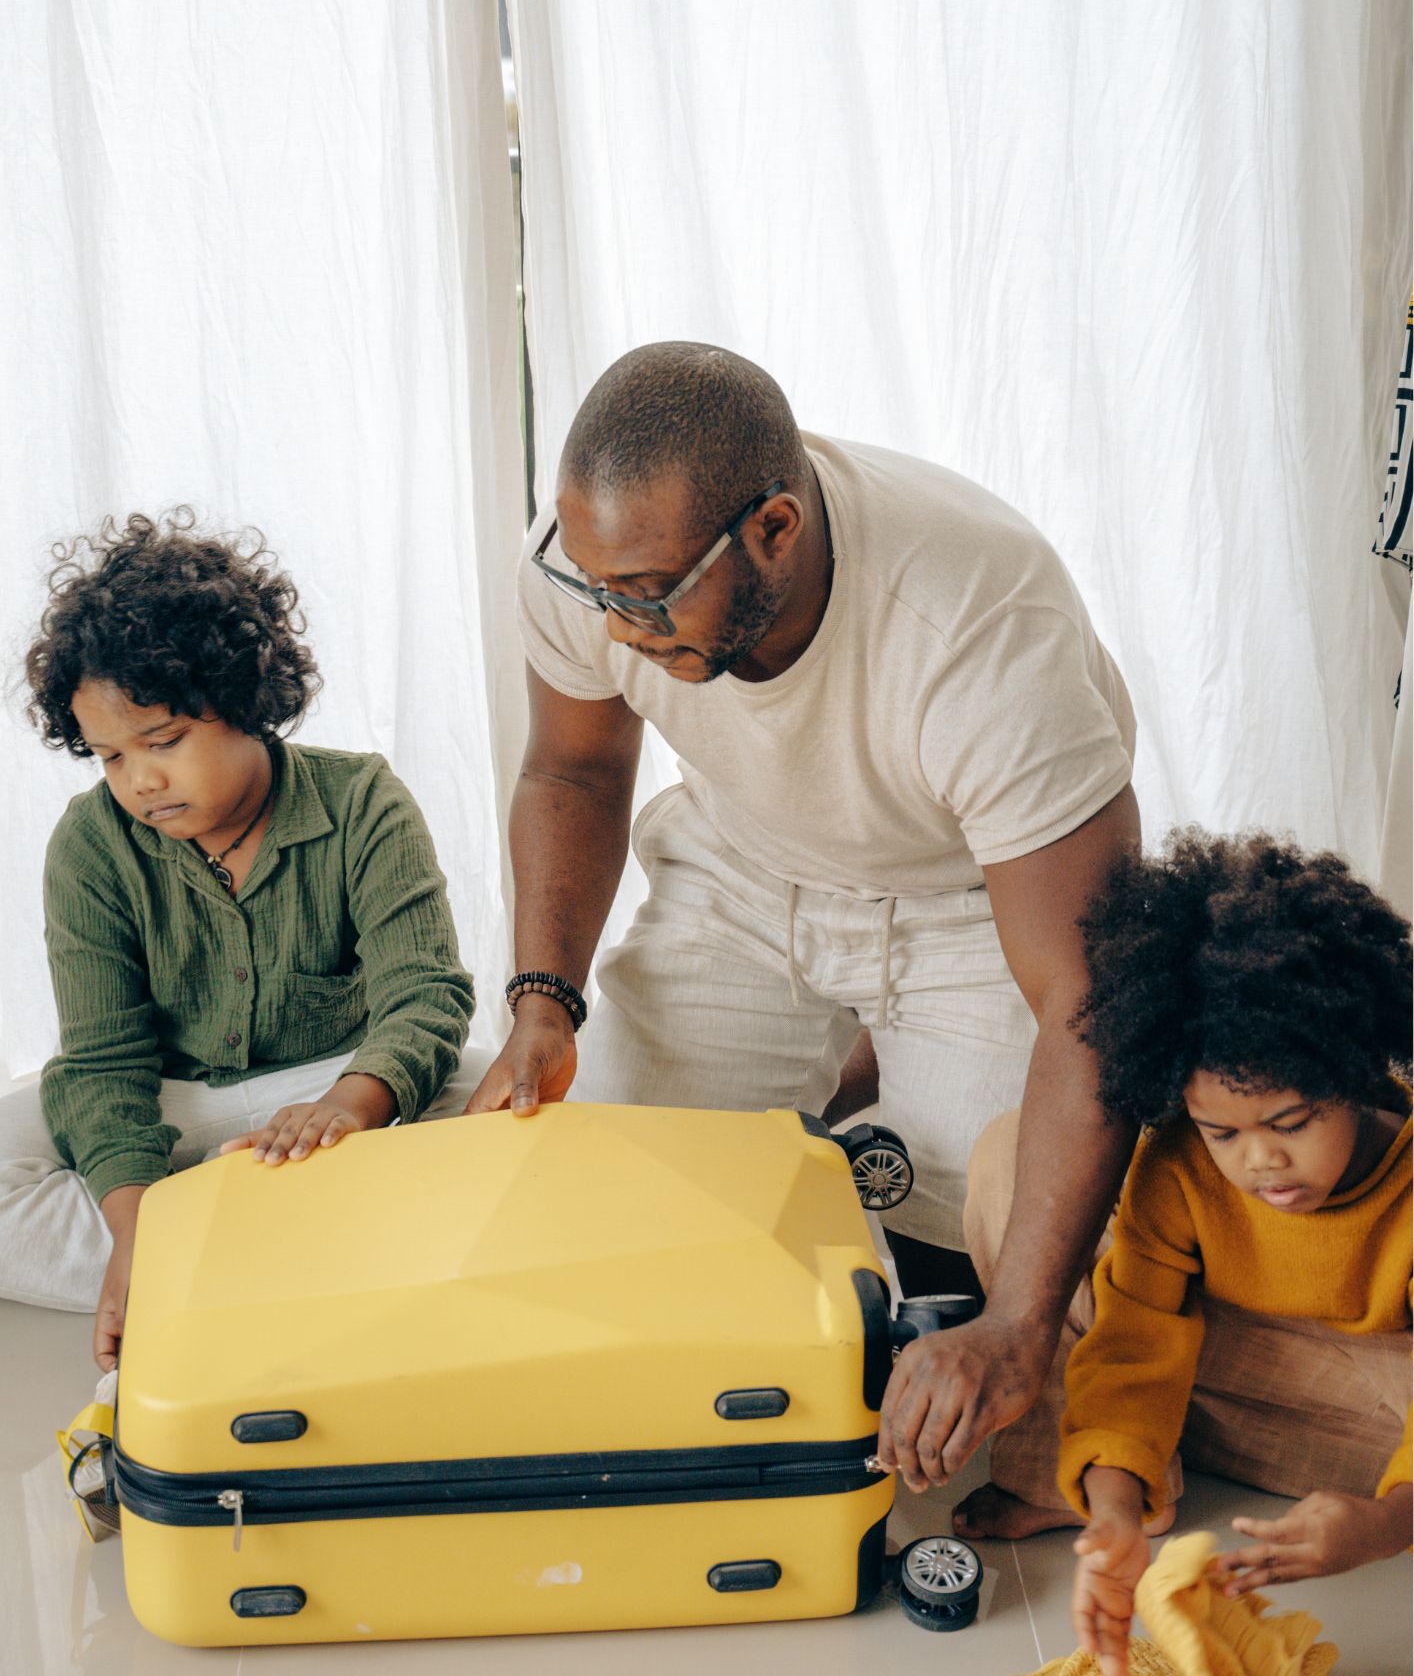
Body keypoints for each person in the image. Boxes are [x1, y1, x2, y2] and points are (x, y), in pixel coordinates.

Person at [465, 340, 1144, 1480]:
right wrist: (543, 1002)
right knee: (619, 1198)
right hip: (741, 862)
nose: (618, 625)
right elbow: (573, 770)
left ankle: (869, 1082)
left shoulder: (981, 626)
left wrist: (1018, 1327)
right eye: (596, 589)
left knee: (1006, 1235)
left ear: (774, 528)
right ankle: (849, 1082)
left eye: (648, 596)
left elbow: (1091, 999)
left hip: (969, 901)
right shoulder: (596, 560)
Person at [0, 511, 478, 1370]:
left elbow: (424, 997)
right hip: (175, 1104)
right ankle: (225, 1242)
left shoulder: (363, 800)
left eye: (164, 741)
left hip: (334, 1089)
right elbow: (103, 1062)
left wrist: (350, 1105)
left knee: (487, 1096)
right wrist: (136, 1230)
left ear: (248, 701)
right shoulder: (91, 842)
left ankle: (225, 1240)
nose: (140, 780)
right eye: (109, 757)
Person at [963, 830, 1411, 1676]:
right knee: (1008, 1158)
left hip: (1378, 1414)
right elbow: (1134, 1342)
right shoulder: (1181, 1166)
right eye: (1222, 1133)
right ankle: (1123, 1477)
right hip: (1240, 1372)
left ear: (1353, 1073)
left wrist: (1389, 1522)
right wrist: (1114, 1507)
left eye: (1290, 1123)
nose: (1260, 1162)